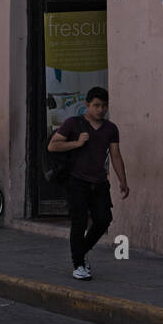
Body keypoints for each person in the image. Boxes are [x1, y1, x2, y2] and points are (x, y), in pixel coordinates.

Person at [49, 86, 128, 281]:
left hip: (99, 182)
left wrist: (123, 181)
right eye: (96, 105)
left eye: (104, 106)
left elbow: (116, 155)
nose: (101, 110)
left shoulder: (111, 128)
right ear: (87, 105)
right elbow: (53, 145)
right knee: (79, 222)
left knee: (103, 220)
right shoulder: (73, 123)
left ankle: (81, 252)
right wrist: (76, 143)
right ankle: (79, 265)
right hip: (76, 181)